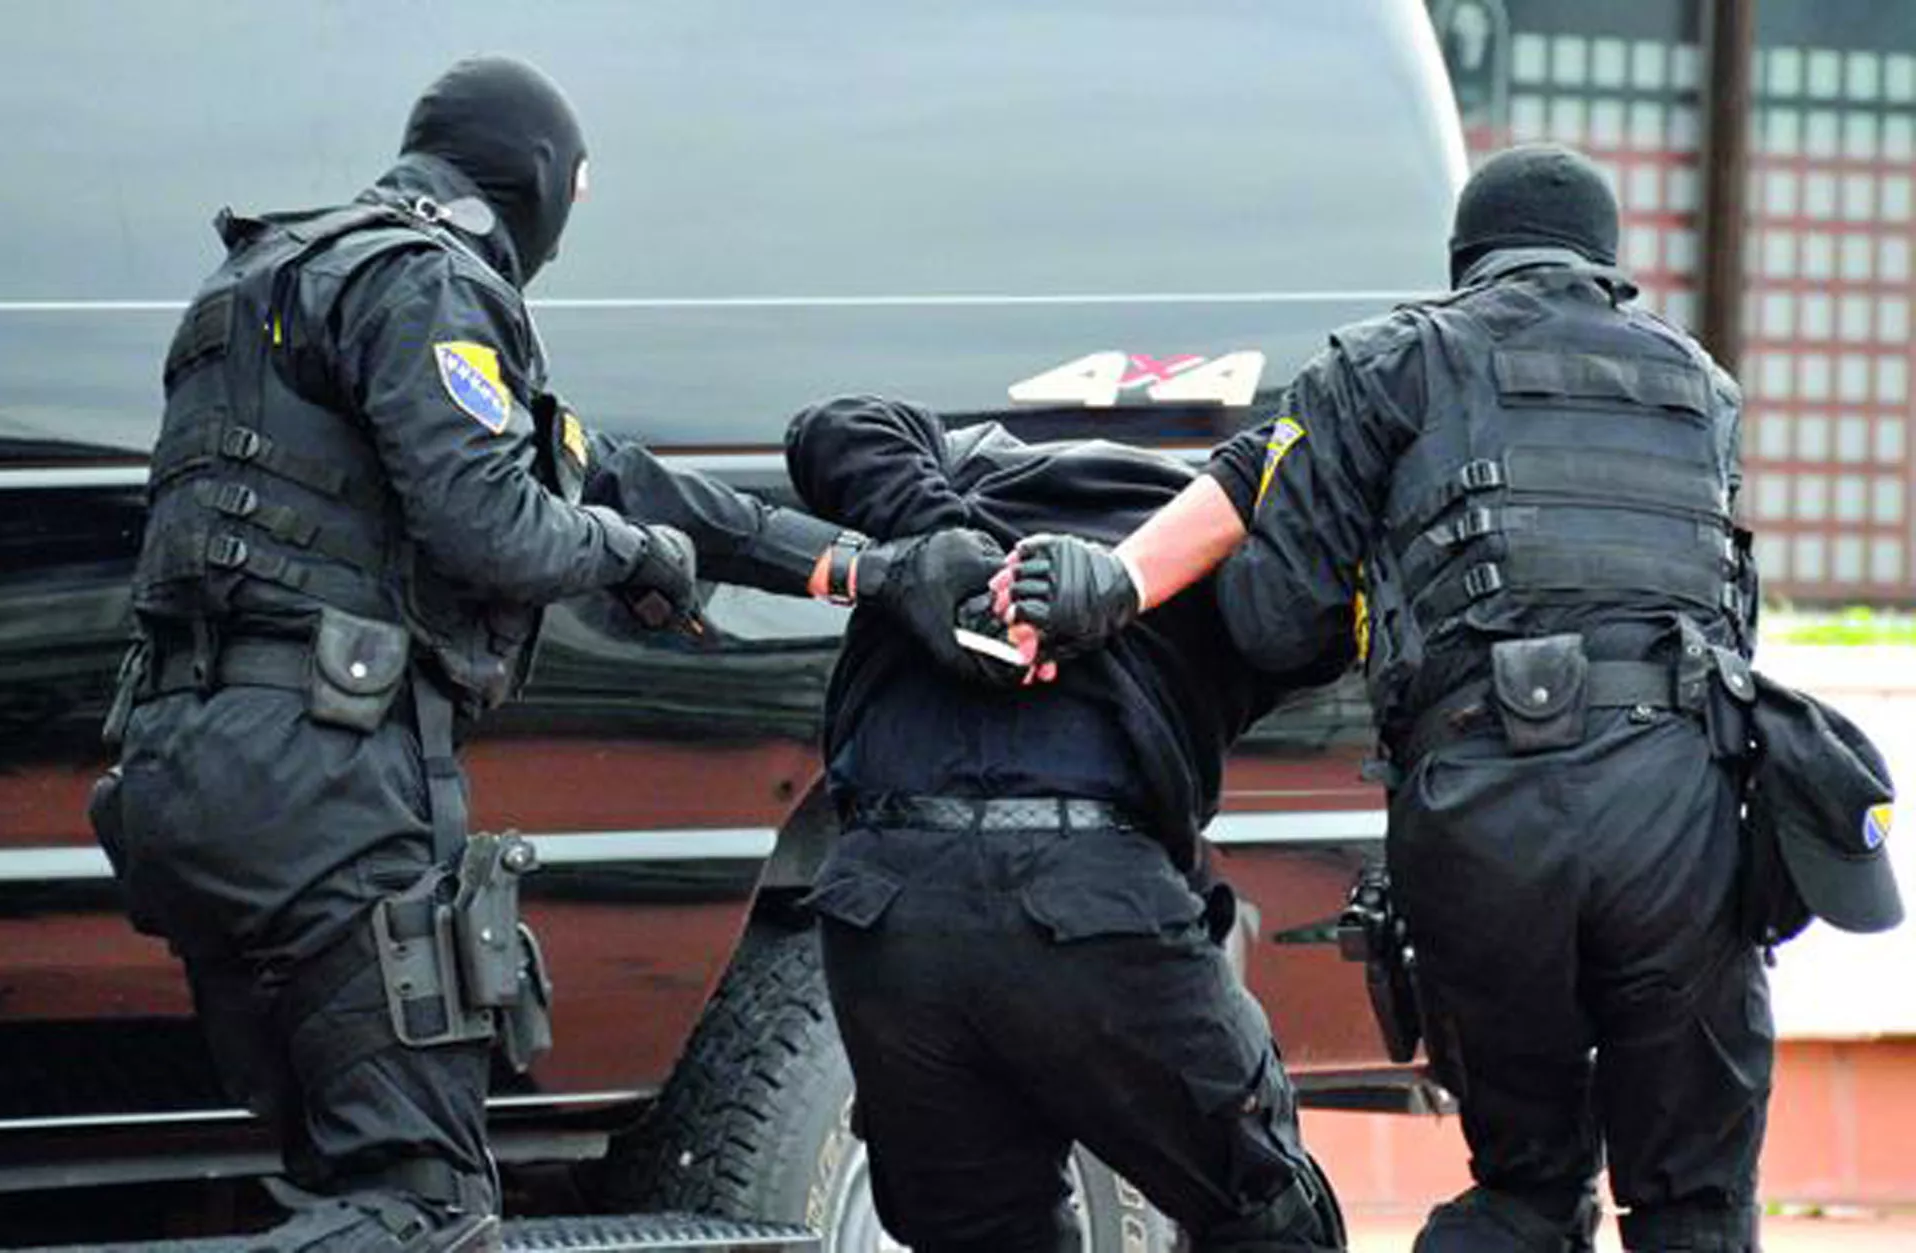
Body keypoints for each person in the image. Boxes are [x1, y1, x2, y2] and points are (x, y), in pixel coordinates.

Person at [94, 57, 998, 1252]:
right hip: (322, 784)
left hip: (184, 773)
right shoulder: (427, 280)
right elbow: (494, 524)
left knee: (347, 1179)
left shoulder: (265, 279)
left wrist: (865, 568)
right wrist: (633, 556)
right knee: (424, 1211)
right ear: (536, 182)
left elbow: (607, 472)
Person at [1005, 144, 1768, 1253]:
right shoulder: (1704, 386)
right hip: (1686, 815)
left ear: (1466, 260)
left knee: (1525, 1192)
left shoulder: (1385, 362)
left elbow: (1274, 620)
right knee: (1696, 1209)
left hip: (1488, 813)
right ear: (1609, 263)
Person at [785, 394, 1348, 1253]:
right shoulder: (1218, 555)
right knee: (1269, 1214)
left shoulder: (954, 484)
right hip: (1089, 905)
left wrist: (951, 548)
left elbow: (833, 425)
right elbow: (1310, 629)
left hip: (886, 910)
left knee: (979, 1237)